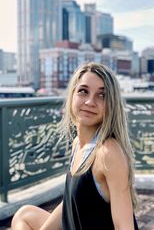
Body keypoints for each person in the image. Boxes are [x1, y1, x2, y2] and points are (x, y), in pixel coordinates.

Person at [11, 62, 139, 230]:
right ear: (72, 95)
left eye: (102, 95)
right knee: (24, 215)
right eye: (83, 91)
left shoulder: (108, 153)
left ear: (111, 104)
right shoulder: (78, 143)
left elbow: (124, 227)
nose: (90, 102)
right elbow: (72, 200)